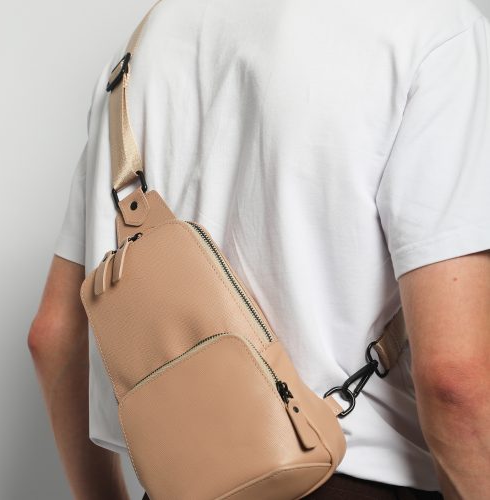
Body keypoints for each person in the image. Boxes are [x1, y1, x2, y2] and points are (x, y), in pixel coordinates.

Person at [28, 0, 490, 498]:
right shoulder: (437, 30)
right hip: (352, 476)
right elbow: (454, 381)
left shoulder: (144, 45)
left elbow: (54, 337)